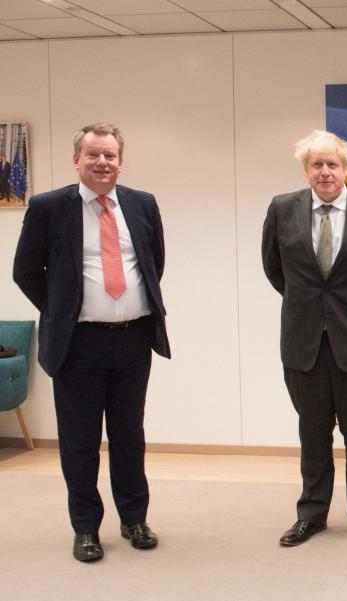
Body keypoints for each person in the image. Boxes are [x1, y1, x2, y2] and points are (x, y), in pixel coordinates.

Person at [13, 123, 171, 562]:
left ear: (121, 161)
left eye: (110, 156)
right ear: (76, 160)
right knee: (80, 441)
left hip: (134, 340)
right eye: (93, 155)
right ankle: (86, 528)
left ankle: (134, 519)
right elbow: (25, 270)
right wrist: (63, 309)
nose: (102, 163)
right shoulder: (48, 207)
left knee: (129, 435)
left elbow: (153, 262)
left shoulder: (142, 203)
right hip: (77, 345)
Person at [262, 130, 347, 550]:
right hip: (304, 341)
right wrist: (313, 306)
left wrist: (345, 306)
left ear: (346, 169)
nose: (325, 171)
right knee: (312, 433)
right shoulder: (282, 209)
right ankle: (312, 514)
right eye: (316, 164)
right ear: (306, 170)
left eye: (332, 164)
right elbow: (274, 269)